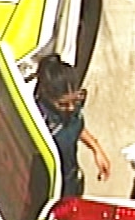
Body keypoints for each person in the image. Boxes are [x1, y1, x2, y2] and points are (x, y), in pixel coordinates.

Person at [34, 54, 111, 196]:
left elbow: (76, 126)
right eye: (63, 104)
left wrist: (96, 149)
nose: (70, 108)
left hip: (71, 180)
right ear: (46, 95)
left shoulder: (73, 109)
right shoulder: (39, 121)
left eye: (75, 101)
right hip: (49, 190)